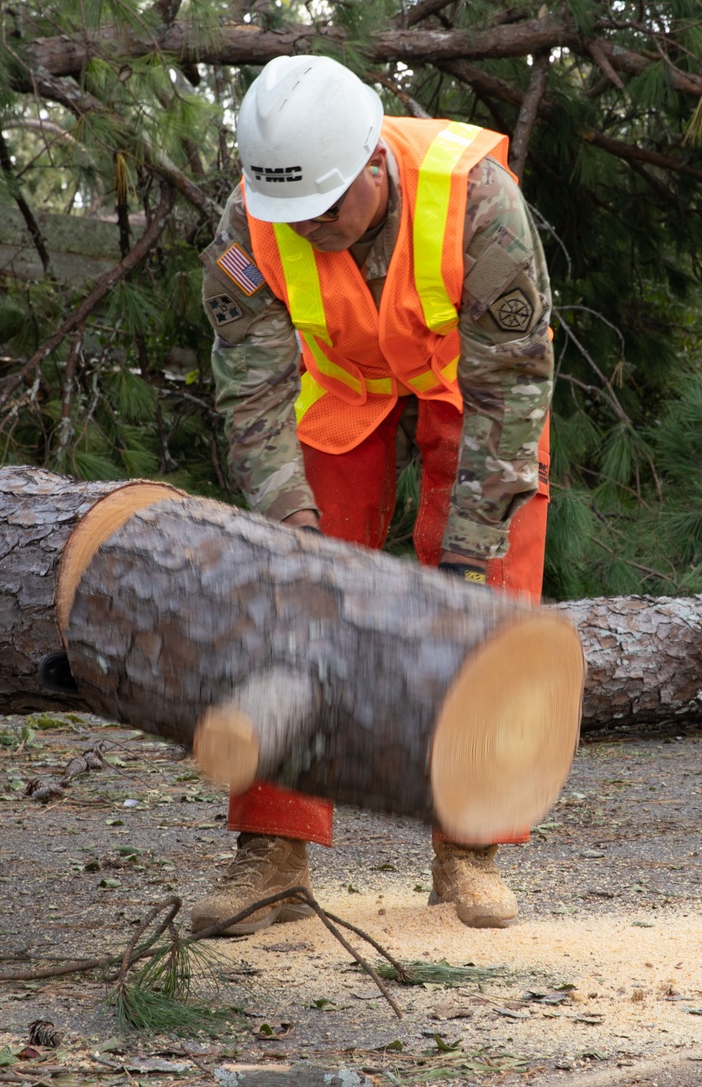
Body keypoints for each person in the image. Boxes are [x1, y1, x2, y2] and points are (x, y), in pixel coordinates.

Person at [193, 56, 553, 934]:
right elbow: (251, 393)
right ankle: (272, 851)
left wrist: (466, 556)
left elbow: (513, 384)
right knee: (284, 587)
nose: (312, 228)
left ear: (372, 161)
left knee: (493, 587)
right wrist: (292, 527)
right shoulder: (253, 219)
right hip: (341, 382)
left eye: (331, 207)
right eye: (295, 214)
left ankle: (469, 846)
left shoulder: (479, 200)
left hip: (472, 387)